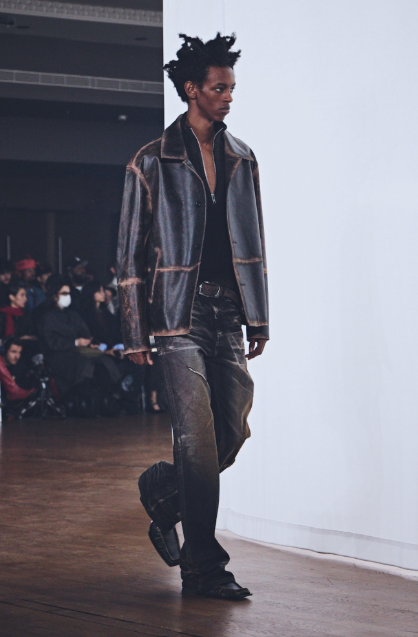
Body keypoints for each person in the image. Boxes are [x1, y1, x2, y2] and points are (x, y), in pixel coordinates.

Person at [118, 32, 269, 600]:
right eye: (219, 88)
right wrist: (135, 330)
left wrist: (258, 316)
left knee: (231, 430)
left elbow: (254, 242)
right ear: (191, 90)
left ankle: (163, 494)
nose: (228, 97)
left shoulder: (242, 158)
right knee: (198, 440)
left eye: (231, 88)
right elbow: (129, 252)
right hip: (175, 315)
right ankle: (204, 567)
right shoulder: (150, 160)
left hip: (226, 312)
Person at [37, 276, 122, 412]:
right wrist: (75, 342)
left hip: (79, 351)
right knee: (84, 363)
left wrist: (89, 341)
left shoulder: (73, 314)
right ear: (54, 296)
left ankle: (107, 398)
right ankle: (83, 399)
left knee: (104, 361)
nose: (68, 296)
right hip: (59, 355)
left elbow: (84, 331)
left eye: (69, 293)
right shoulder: (47, 317)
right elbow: (52, 342)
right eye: (64, 293)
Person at [0, 337, 35, 416]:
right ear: (4, 351)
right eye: (13, 352)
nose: (17, 356)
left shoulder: (19, 367)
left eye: (19, 353)